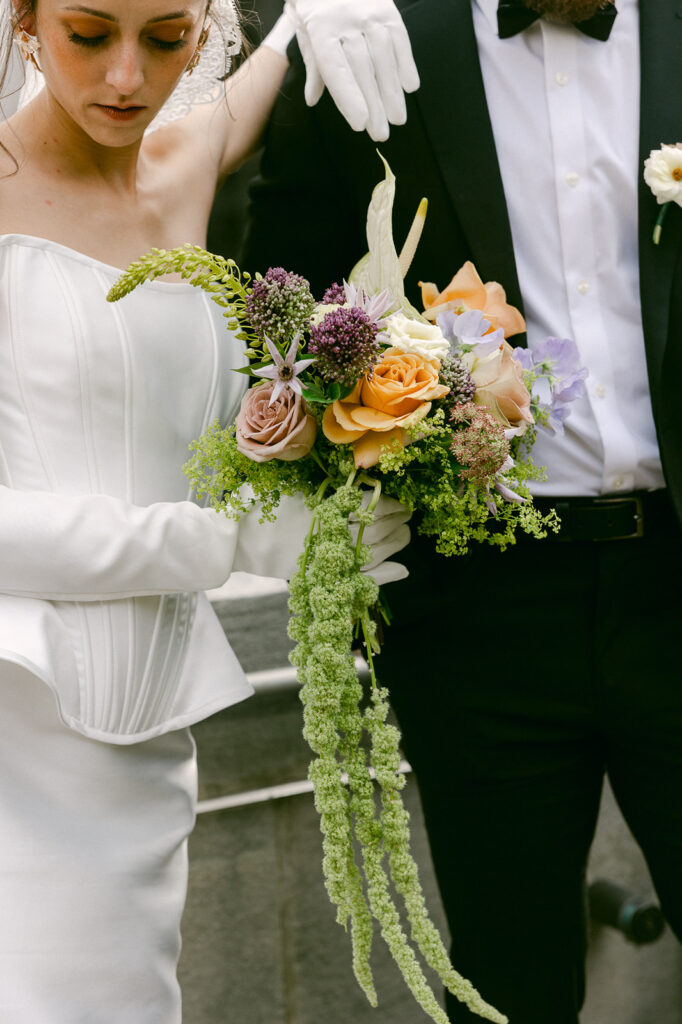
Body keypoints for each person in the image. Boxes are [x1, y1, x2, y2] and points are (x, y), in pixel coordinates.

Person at [241, 1, 682, 1021]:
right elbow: (281, 295)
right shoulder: (369, 44)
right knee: (509, 985)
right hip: (479, 614)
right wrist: (355, 426)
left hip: (678, 577)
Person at [0, 0, 414, 1020]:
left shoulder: (183, 162)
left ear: (204, 31)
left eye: (166, 38)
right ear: (24, 25)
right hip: (17, 718)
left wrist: (309, 19)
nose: (128, 79)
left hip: (142, 742)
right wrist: (222, 540)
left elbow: (259, 80)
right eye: (89, 36)